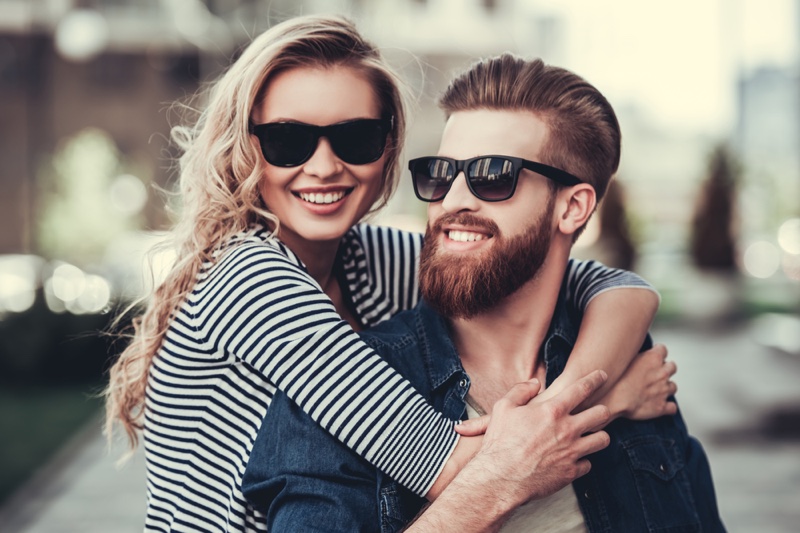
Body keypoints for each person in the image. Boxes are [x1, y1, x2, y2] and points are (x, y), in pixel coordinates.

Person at [104, 15, 668, 533]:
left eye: (355, 138)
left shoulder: (371, 258)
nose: (324, 165)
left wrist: (566, 391)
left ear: (388, 147)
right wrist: (611, 400)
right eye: (288, 140)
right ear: (246, 148)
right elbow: (461, 464)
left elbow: (613, 287)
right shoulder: (247, 277)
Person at [242, 53, 725, 531]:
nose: (452, 201)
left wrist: (582, 402)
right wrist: (502, 478)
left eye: (493, 175)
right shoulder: (337, 397)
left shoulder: (624, 365)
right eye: (440, 173)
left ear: (573, 207)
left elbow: (622, 287)